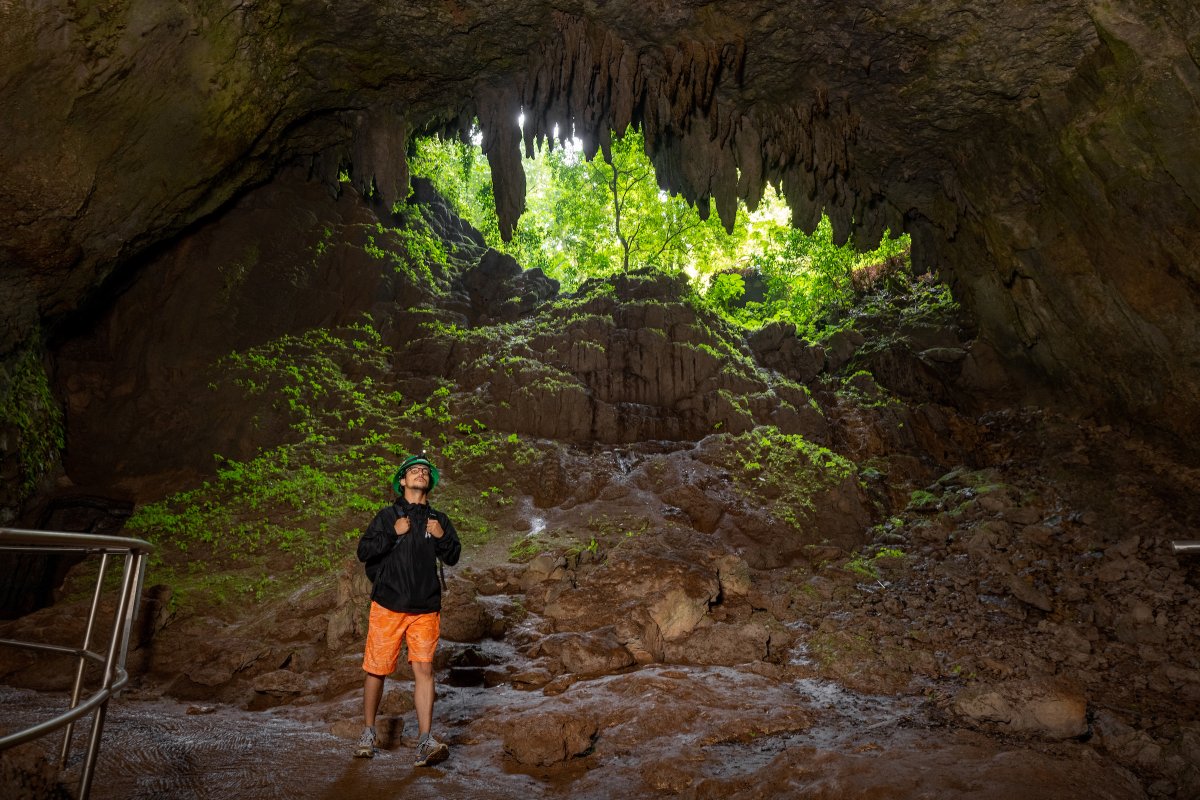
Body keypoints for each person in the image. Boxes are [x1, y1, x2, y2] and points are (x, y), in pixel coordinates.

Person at [354, 453, 461, 766]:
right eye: (413, 471)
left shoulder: (438, 520)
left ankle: (426, 741)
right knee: (377, 668)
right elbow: (364, 551)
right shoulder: (388, 517)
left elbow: (453, 556)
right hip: (388, 604)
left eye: (424, 471)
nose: (420, 474)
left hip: (426, 607)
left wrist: (441, 538)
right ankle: (368, 732)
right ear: (402, 482)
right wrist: (392, 532)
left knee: (424, 670)